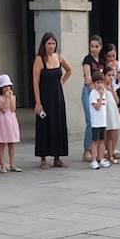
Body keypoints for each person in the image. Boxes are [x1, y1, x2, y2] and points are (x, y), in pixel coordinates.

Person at [32, 32, 71, 168]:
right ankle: (43, 158)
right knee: (44, 125)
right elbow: (35, 82)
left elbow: (69, 69)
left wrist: (61, 82)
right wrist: (37, 101)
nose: (51, 46)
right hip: (45, 96)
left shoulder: (58, 57)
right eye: (49, 43)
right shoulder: (39, 59)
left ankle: (57, 157)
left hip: (58, 96)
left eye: (53, 43)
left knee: (58, 124)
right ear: (44, 44)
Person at [80, 35, 105, 162]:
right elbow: (88, 78)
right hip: (89, 91)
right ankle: (87, 150)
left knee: (99, 121)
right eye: (91, 46)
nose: (93, 49)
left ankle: (98, 150)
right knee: (90, 120)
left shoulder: (102, 60)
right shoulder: (87, 60)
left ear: (100, 47)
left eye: (96, 46)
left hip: (99, 92)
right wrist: (95, 91)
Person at [0, 73, 21, 172]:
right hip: (2, 120)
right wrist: (7, 98)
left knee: (11, 143)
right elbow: (3, 109)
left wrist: (11, 98)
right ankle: (2, 164)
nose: (7, 88)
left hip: (11, 120)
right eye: (4, 87)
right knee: (1, 143)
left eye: (8, 86)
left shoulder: (13, 97)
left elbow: (13, 109)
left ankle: (12, 163)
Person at [104, 44, 120, 163]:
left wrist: (116, 72)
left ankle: (114, 147)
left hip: (117, 92)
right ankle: (107, 148)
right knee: (107, 122)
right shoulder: (104, 68)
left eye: (114, 55)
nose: (112, 58)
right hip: (106, 93)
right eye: (109, 56)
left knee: (115, 122)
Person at [88, 69, 110, 169]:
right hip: (96, 122)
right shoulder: (93, 93)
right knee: (95, 141)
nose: (100, 85)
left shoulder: (104, 92)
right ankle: (93, 160)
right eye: (97, 82)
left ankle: (101, 159)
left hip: (103, 121)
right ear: (93, 83)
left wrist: (102, 94)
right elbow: (96, 107)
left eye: (101, 82)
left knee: (102, 141)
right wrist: (100, 97)